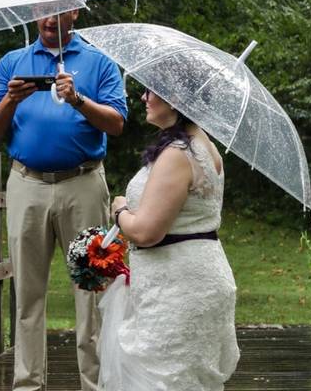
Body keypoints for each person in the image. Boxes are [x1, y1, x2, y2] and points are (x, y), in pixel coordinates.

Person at [0, 8, 127, 391]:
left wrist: (78, 99)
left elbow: (116, 123)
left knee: (91, 291)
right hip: (26, 183)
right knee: (27, 293)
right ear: (34, 13)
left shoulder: (99, 62)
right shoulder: (13, 62)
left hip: (82, 182)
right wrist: (11, 101)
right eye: (42, 12)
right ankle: (28, 384)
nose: (49, 20)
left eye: (58, 12)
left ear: (74, 12)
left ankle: (94, 384)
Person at [98, 87, 240, 391]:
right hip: (197, 277)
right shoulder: (204, 145)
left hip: (178, 289)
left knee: (163, 379)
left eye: (152, 91)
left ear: (176, 99)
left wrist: (121, 210)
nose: (144, 98)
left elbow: (146, 232)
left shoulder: (178, 153)